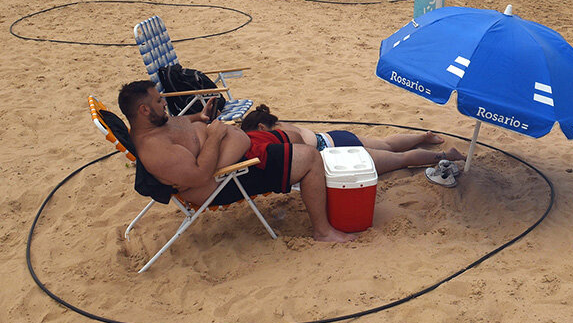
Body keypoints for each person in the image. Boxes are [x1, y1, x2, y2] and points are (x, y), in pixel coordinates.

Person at [119, 81, 360, 243]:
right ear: (143, 110)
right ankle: (323, 231)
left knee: (292, 136)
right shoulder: (155, 150)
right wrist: (214, 135)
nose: (164, 104)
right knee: (310, 158)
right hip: (229, 178)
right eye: (159, 101)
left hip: (237, 155)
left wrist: (199, 118)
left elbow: (179, 125)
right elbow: (201, 175)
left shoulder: (156, 124)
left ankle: (318, 196)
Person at [240, 104, 464, 175]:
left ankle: (445, 155)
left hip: (339, 153)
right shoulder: (284, 125)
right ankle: (422, 136)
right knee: (387, 143)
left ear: (261, 127)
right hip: (335, 138)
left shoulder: (277, 136)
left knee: (400, 159)